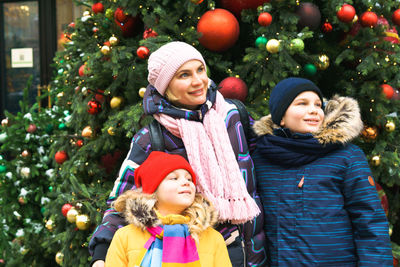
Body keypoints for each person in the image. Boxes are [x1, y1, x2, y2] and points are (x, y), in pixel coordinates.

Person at [89, 41, 267, 267]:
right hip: (201, 253)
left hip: (255, 250)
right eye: (184, 75)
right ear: (165, 86)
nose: (198, 81)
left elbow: (271, 153)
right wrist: (101, 255)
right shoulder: (152, 137)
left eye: (200, 70)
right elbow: (121, 199)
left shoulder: (232, 115)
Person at [252, 77, 393, 266]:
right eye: (302, 103)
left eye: (318, 105)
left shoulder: (346, 156)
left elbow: (370, 222)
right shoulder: (262, 158)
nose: (314, 110)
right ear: (281, 117)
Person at [104, 151, 232, 267]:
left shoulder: (212, 238)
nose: (186, 182)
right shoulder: (125, 237)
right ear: (152, 190)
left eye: (189, 179)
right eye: (174, 178)